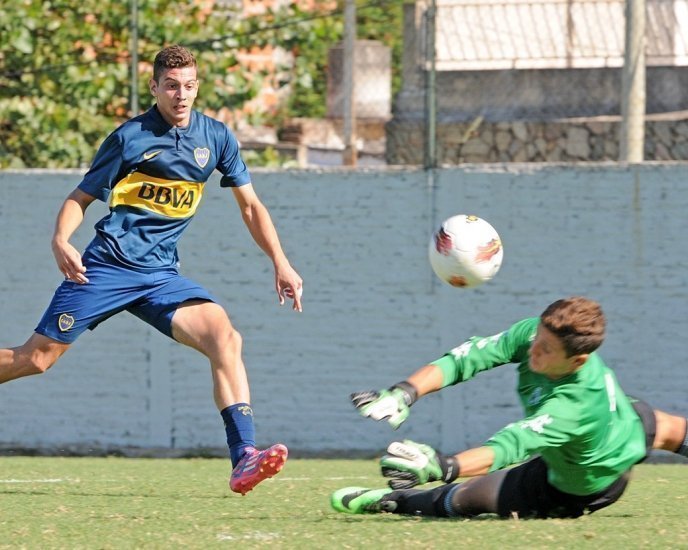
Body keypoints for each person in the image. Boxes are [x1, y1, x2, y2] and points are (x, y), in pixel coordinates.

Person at [0, 45, 303, 495]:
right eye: (172, 86)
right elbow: (78, 199)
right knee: (35, 360)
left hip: (160, 276)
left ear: (197, 86)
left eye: (189, 86)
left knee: (224, 336)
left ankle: (244, 457)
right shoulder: (129, 138)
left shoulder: (216, 138)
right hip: (105, 269)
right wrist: (61, 240)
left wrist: (280, 261)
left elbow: (251, 207)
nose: (181, 95)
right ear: (155, 87)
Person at [332, 297, 688, 518]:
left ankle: (395, 501)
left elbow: (509, 446)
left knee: (466, 500)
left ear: (578, 362)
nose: (535, 350)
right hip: (626, 419)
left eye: (548, 350)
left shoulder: (572, 406)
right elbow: (469, 358)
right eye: (539, 340)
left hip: (584, 482)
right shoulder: (538, 334)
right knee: (671, 428)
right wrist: (405, 392)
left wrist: (443, 466)